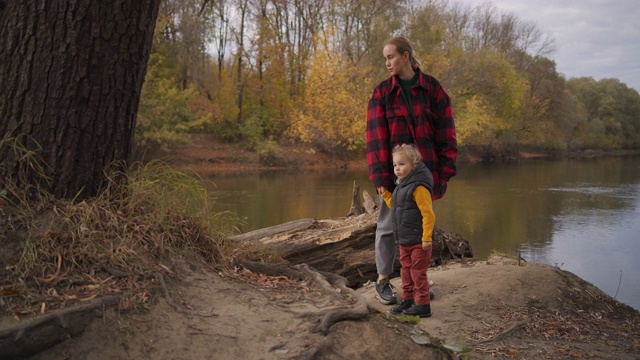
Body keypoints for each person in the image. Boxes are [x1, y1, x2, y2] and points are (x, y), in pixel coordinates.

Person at [366, 36, 457, 305]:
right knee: (386, 226)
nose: (387, 63)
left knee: (422, 227)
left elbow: (447, 132)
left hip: (425, 174)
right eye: (384, 58)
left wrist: (446, 170)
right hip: (395, 174)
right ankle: (383, 280)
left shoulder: (432, 89)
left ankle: (419, 282)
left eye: (391, 57)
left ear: (406, 56)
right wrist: (381, 178)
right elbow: (375, 140)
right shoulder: (381, 93)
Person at [379, 144, 435, 317]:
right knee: (405, 271)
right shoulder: (401, 187)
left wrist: (426, 237)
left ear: (414, 164)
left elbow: (429, 215)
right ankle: (408, 300)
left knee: (418, 272)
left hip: (419, 241)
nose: (397, 168)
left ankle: (423, 304)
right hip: (404, 240)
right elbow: (396, 208)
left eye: (402, 164)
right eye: (395, 165)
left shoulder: (419, 187)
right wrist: (387, 195)